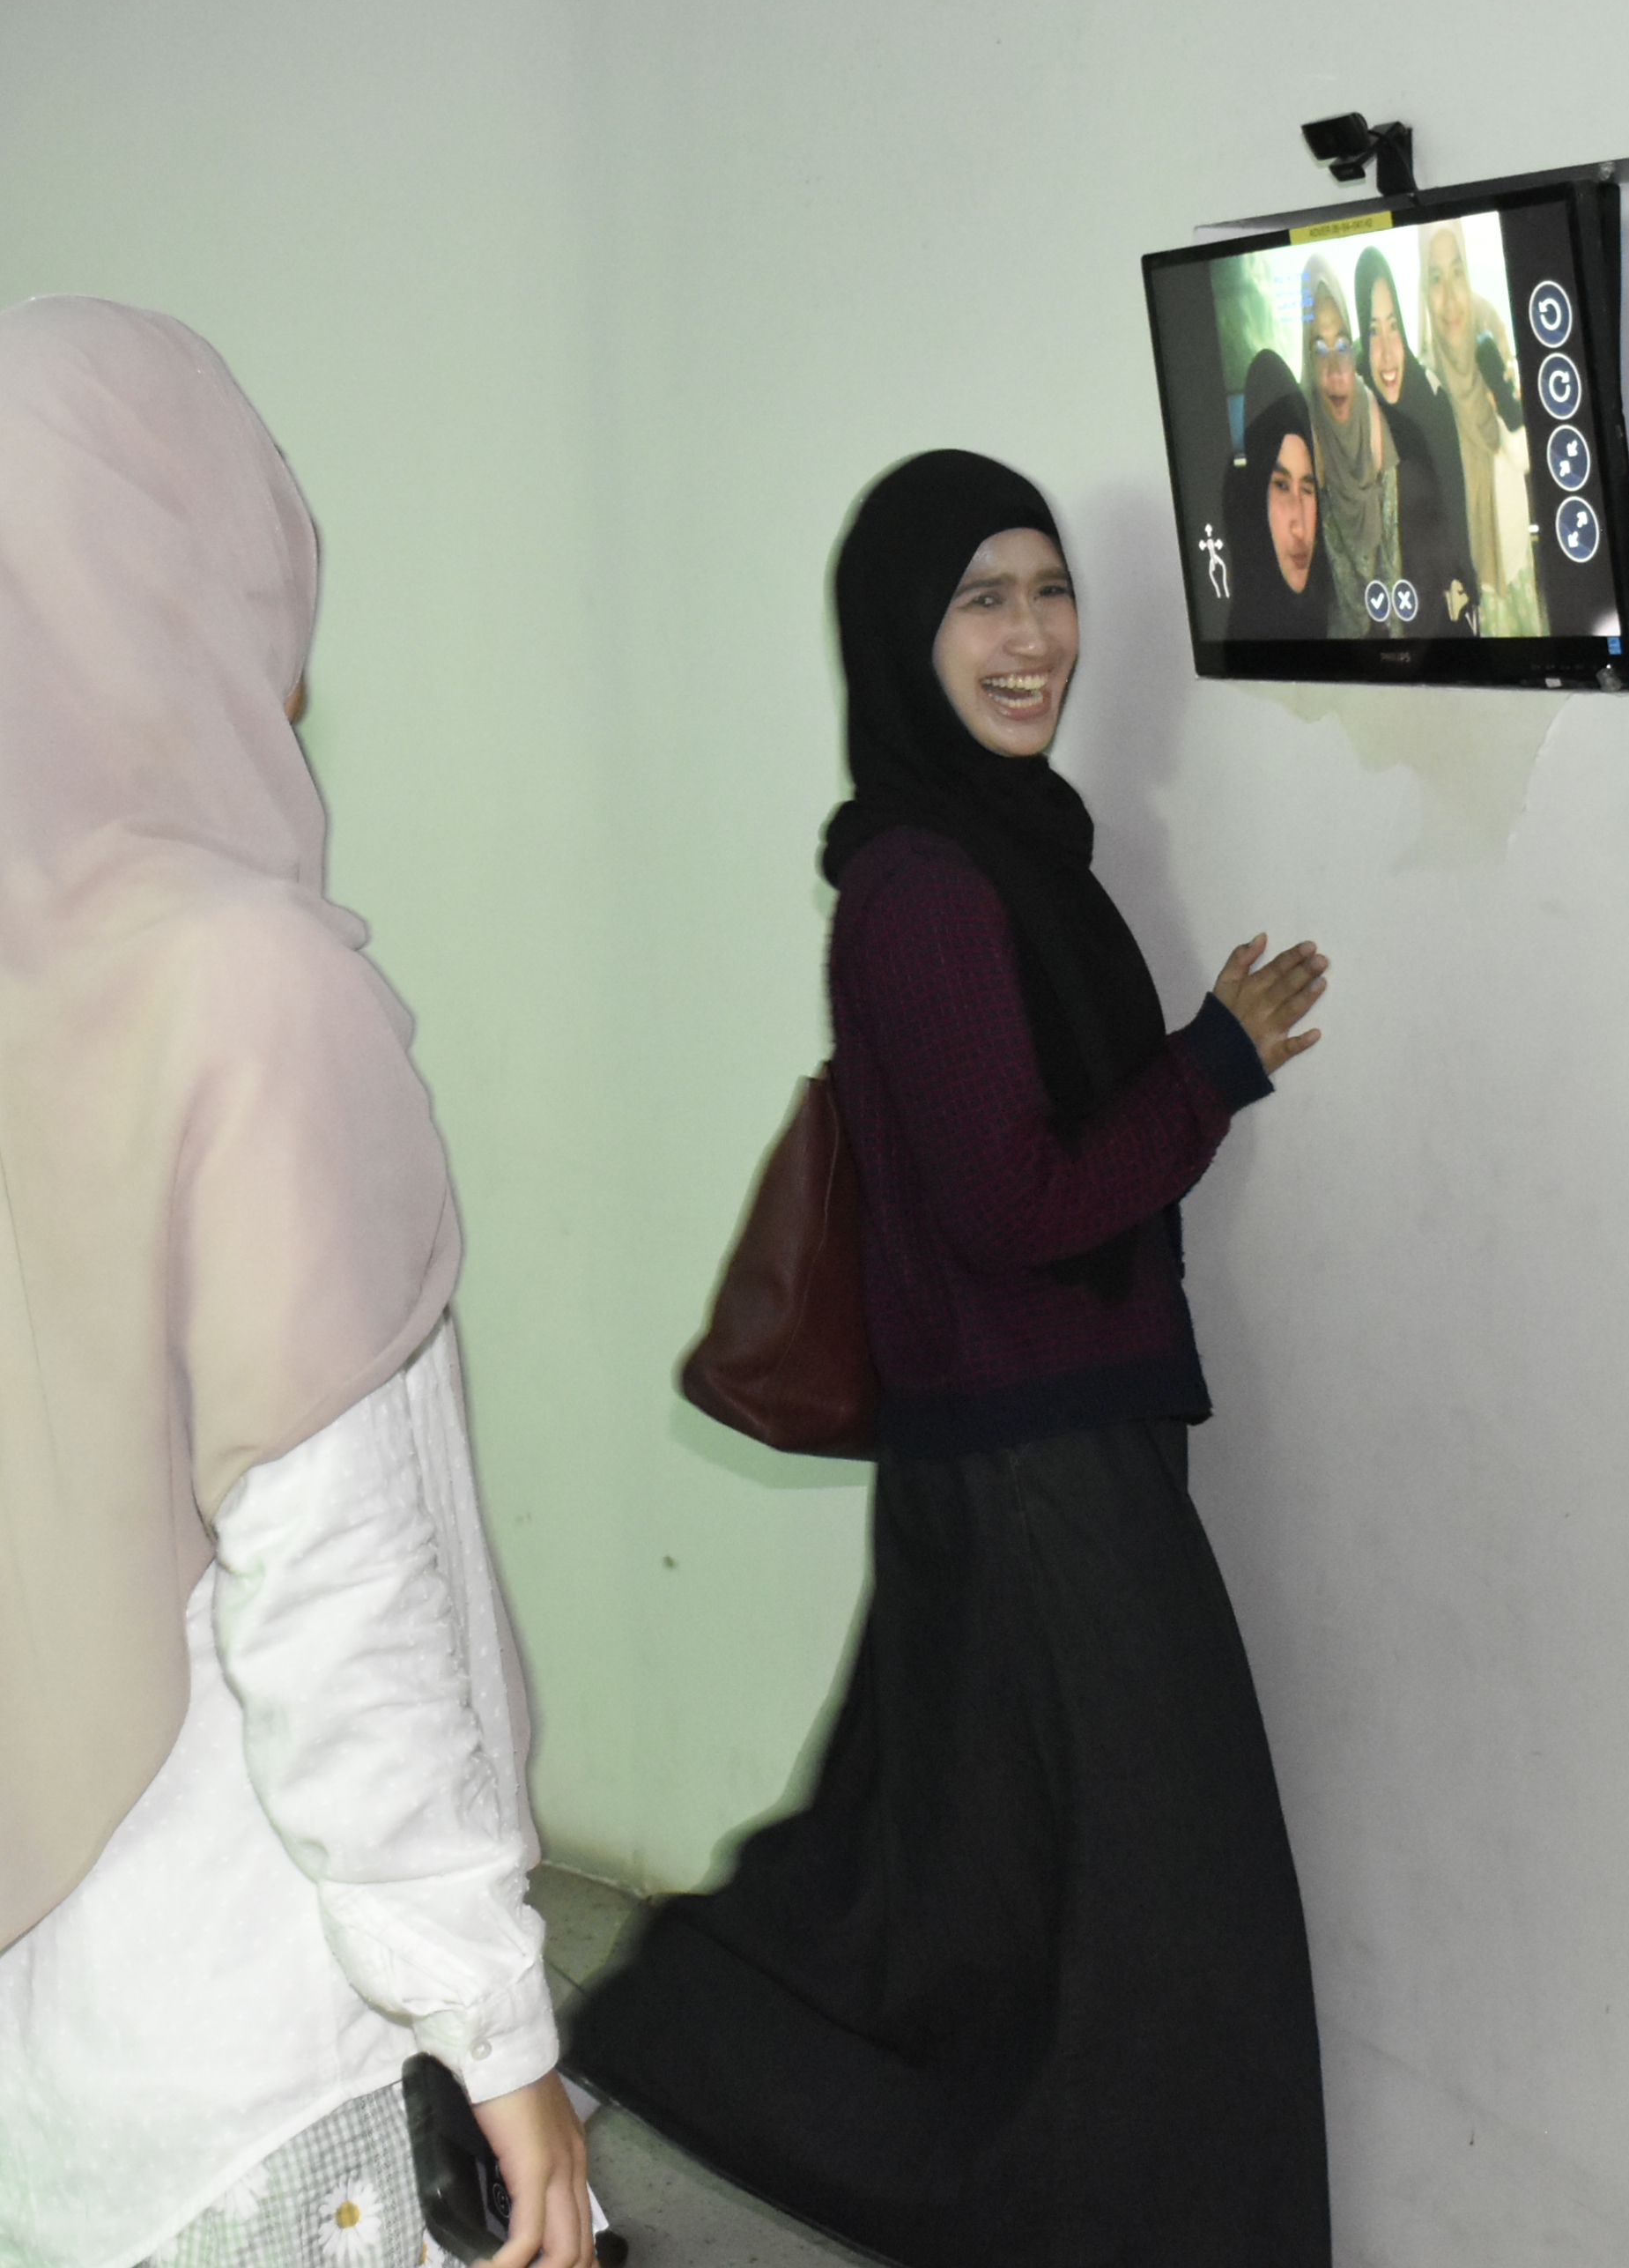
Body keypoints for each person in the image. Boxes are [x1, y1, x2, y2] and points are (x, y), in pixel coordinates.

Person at [0, 298, 585, 2268]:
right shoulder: (250, 991)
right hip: (278, 2065)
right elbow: (339, 1580)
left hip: (26, 2067)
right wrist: (490, 2017)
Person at [567, 448, 1337, 2267]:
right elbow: (1015, 1203)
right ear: (899, 634)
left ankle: (645, 2050)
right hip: (1027, 1471)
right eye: (981, 599)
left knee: (938, 1893)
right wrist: (1210, 1065)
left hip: (1029, 1445)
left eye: (1050, 590)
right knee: (1171, 1902)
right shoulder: (922, 884)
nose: (1031, 636)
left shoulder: (1015, 851)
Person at [1418, 221, 1538, 634]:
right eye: (1436, 278)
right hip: (1462, 573)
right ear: (1423, 286)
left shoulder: (1489, 328)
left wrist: (1502, 395)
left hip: (1511, 556)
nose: (1451, 296)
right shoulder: (1425, 372)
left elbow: (1524, 455)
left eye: (1458, 272)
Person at [1355, 246, 1473, 637]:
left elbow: (1458, 532)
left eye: (1394, 326)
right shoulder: (1355, 419)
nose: (1388, 352)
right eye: (1374, 330)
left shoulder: (1432, 406)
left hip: (1444, 624)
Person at [1299, 256, 1392, 637]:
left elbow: (1393, 540)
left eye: (1342, 344)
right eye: (1319, 349)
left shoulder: (1372, 411)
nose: (1336, 367)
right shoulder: (1303, 428)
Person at [1218, 347, 1332, 638]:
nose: (1300, 526)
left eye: (1307, 489)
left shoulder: (1329, 614)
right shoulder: (1244, 637)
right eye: (1281, 485)